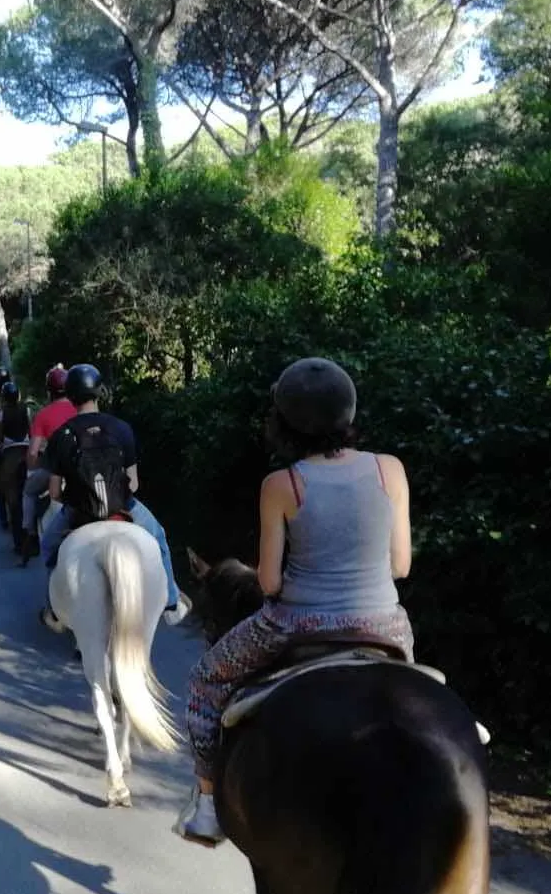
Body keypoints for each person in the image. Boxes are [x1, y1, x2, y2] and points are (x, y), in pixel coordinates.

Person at [175, 357, 415, 847]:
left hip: (295, 623)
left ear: (284, 422)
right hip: (384, 624)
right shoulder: (390, 469)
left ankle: (207, 805)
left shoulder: (281, 485)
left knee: (204, 682)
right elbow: (401, 565)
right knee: (413, 694)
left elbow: (267, 582)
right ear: (349, 412)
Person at [38, 364, 187, 623]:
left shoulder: (61, 435)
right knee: (159, 537)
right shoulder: (121, 428)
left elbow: (54, 491)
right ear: (99, 392)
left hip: (79, 511)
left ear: (70, 395)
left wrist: (72, 499)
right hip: (123, 506)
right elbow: (134, 483)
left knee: (49, 546)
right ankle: (171, 603)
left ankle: (55, 610)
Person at [18, 366, 77, 560]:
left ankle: (30, 534)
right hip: (82, 469)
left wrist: (32, 467)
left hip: (54, 470)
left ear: (49, 391)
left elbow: (33, 452)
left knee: (29, 491)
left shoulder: (43, 414)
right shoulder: (80, 409)